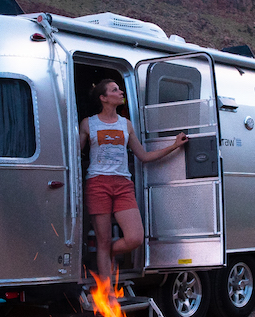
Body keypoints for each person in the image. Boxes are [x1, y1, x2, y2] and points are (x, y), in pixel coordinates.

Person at [79, 78, 188, 280]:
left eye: (120, 89)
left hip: (123, 184)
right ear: (103, 98)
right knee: (103, 240)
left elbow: (144, 156)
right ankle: (108, 292)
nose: (121, 92)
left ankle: (104, 254)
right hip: (97, 183)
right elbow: (74, 152)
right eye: (115, 90)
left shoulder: (125, 124)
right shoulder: (88, 123)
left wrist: (174, 146)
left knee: (135, 238)